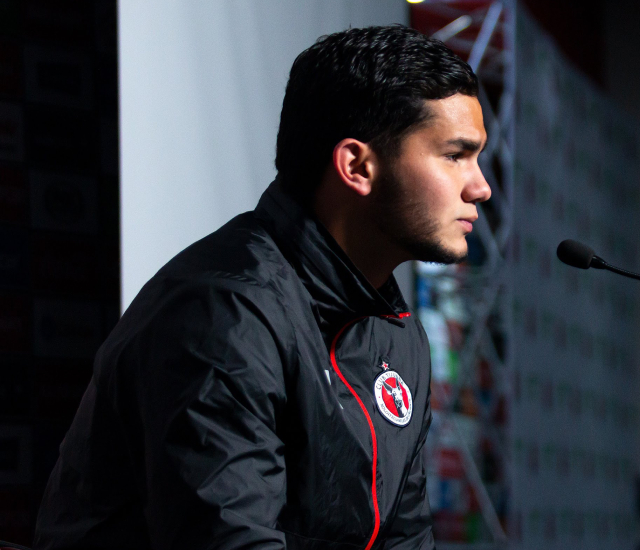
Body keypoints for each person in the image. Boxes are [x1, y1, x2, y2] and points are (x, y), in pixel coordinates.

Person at [35, 25, 491, 550]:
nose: (480, 186)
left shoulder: (393, 327)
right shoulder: (225, 309)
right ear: (358, 166)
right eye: (455, 155)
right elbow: (229, 541)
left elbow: (405, 538)